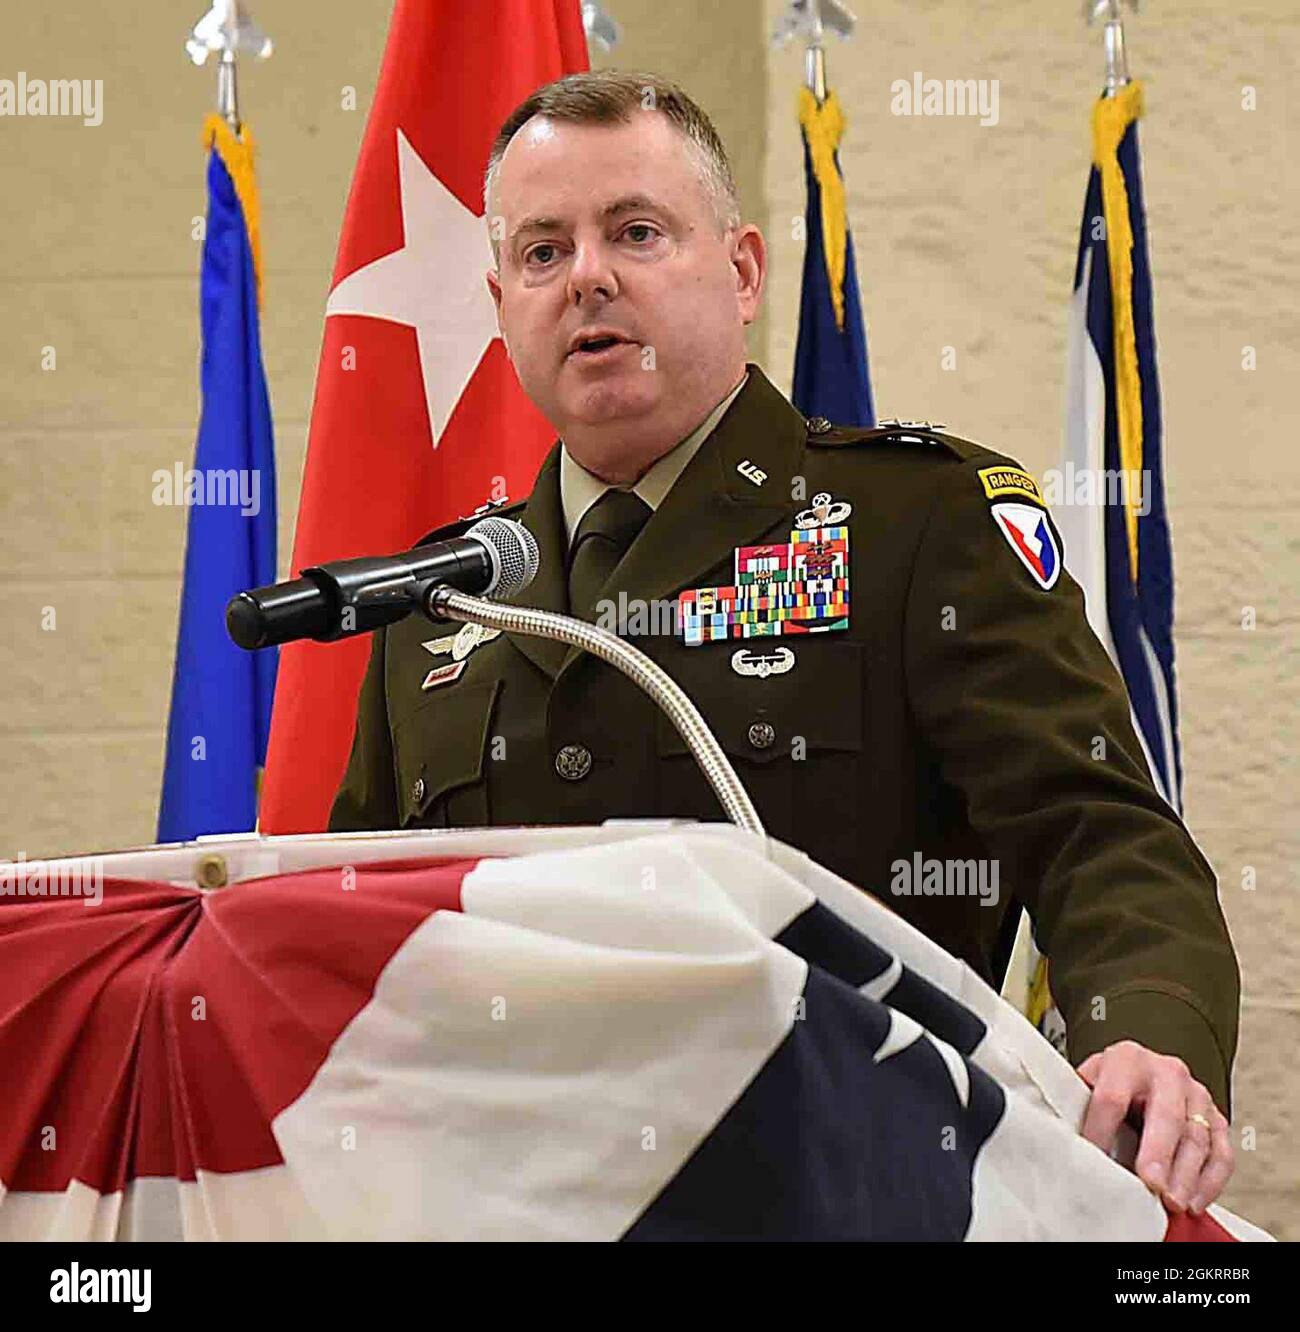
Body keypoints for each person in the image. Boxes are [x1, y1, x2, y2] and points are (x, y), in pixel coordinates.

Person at [330, 71, 1239, 1214]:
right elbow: (350, 921)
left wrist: (1148, 1035)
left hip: (844, 1192)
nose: (589, 278)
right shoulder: (443, 604)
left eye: (636, 232)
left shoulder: (918, 525)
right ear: (502, 296)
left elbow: (1098, 833)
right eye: (542, 251)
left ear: (743, 270)